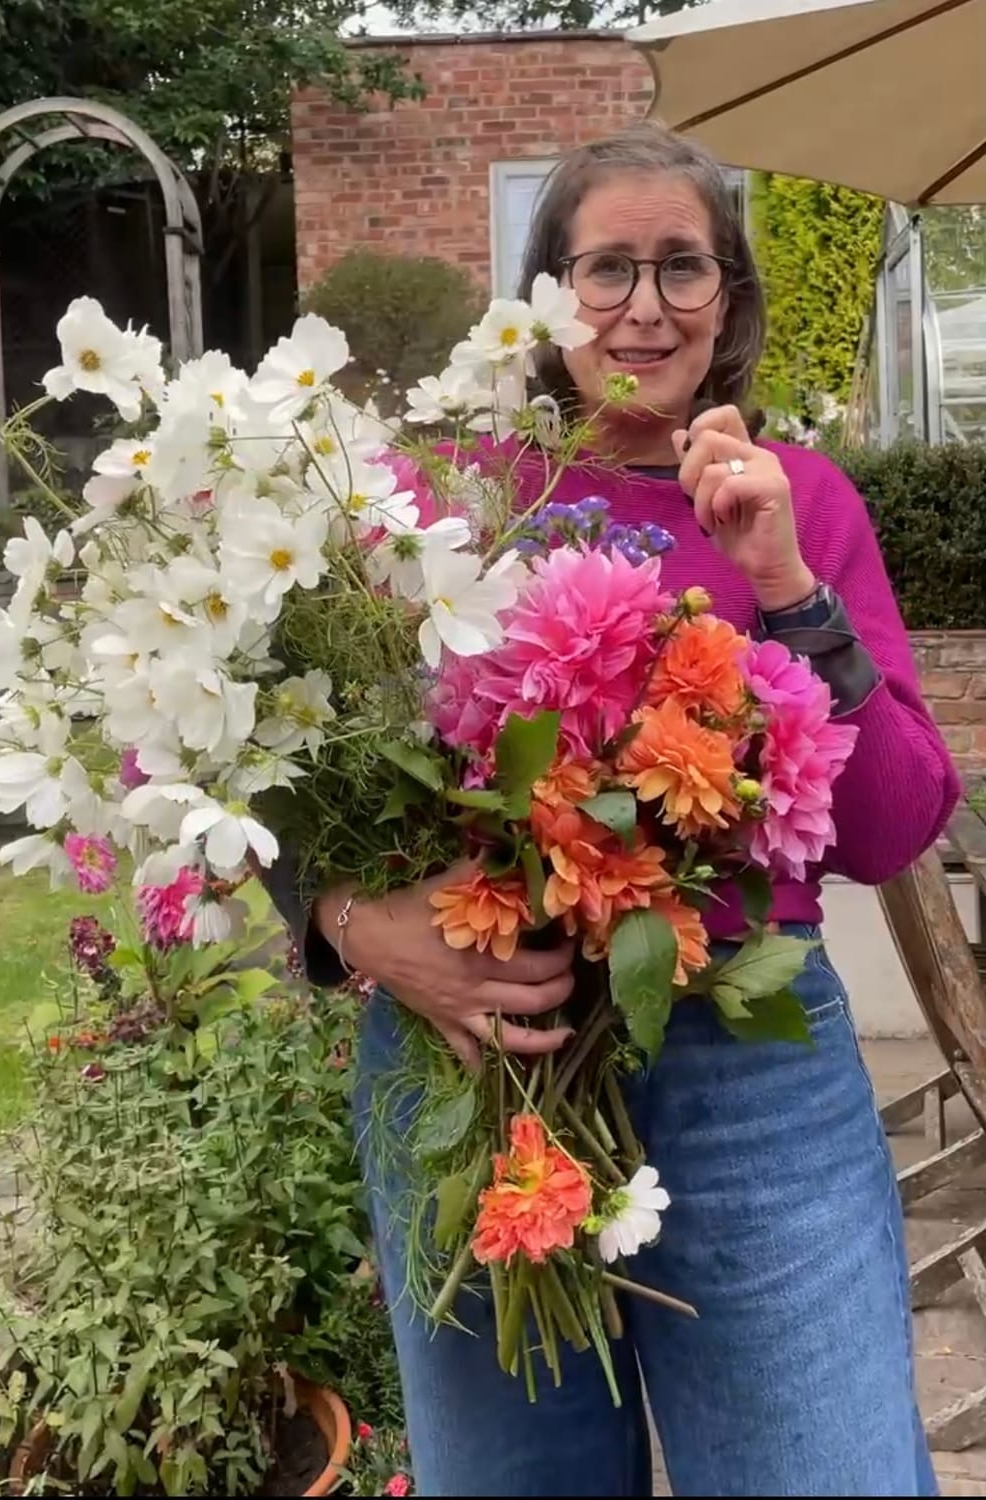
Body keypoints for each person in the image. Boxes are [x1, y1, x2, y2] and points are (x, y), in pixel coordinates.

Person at [265, 124, 961, 1496]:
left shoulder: (801, 501)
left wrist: (785, 589)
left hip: (744, 1060)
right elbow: (275, 768)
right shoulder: (439, 503)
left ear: (730, 300)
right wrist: (352, 925)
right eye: (606, 268)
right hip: (474, 1056)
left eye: (683, 267)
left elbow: (889, 827)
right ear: (544, 296)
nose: (644, 305)